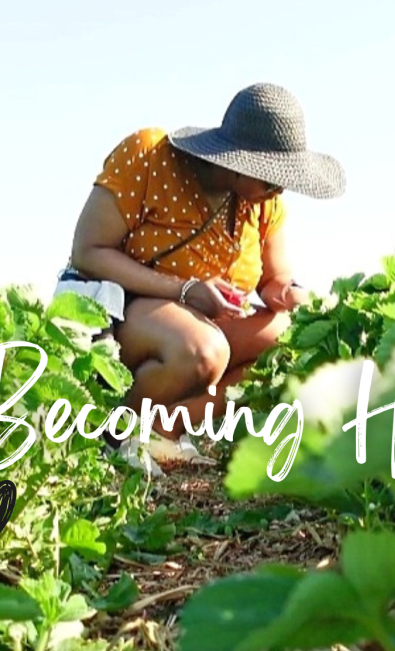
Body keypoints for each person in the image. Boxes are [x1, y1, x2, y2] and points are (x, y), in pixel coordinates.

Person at [66, 82, 345, 476]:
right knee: (204, 349)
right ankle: (116, 432)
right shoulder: (149, 156)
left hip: (204, 326)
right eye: (271, 179)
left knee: (284, 336)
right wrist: (184, 290)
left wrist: (292, 296)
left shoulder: (263, 204)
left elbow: (274, 280)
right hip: (128, 315)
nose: (278, 189)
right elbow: (88, 251)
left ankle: (162, 431)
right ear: (239, 163)